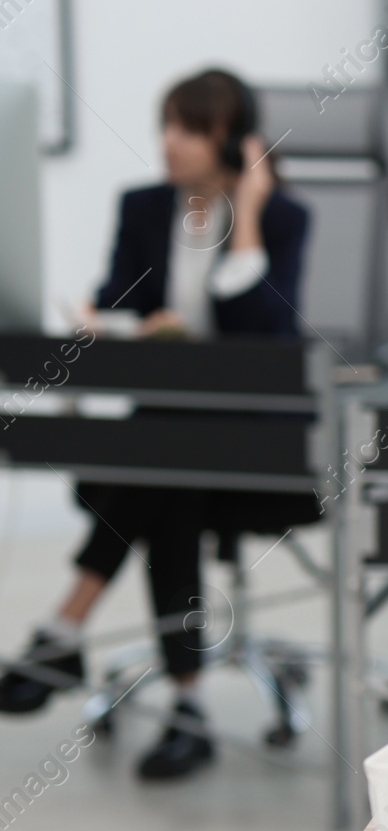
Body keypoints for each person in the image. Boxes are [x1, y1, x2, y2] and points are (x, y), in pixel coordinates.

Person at [0, 68, 310, 780]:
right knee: (172, 476)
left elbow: (264, 334)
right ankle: (186, 706)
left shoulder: (285, 217)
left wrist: (252, 213)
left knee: (163, 464)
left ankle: (64, 630)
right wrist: (113, 321)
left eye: (191, 128)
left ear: (233, 141)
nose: (171, 142)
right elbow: (119, 298)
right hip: (171, 443)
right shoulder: (144, 209)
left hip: (264, 443)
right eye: (167, 124)